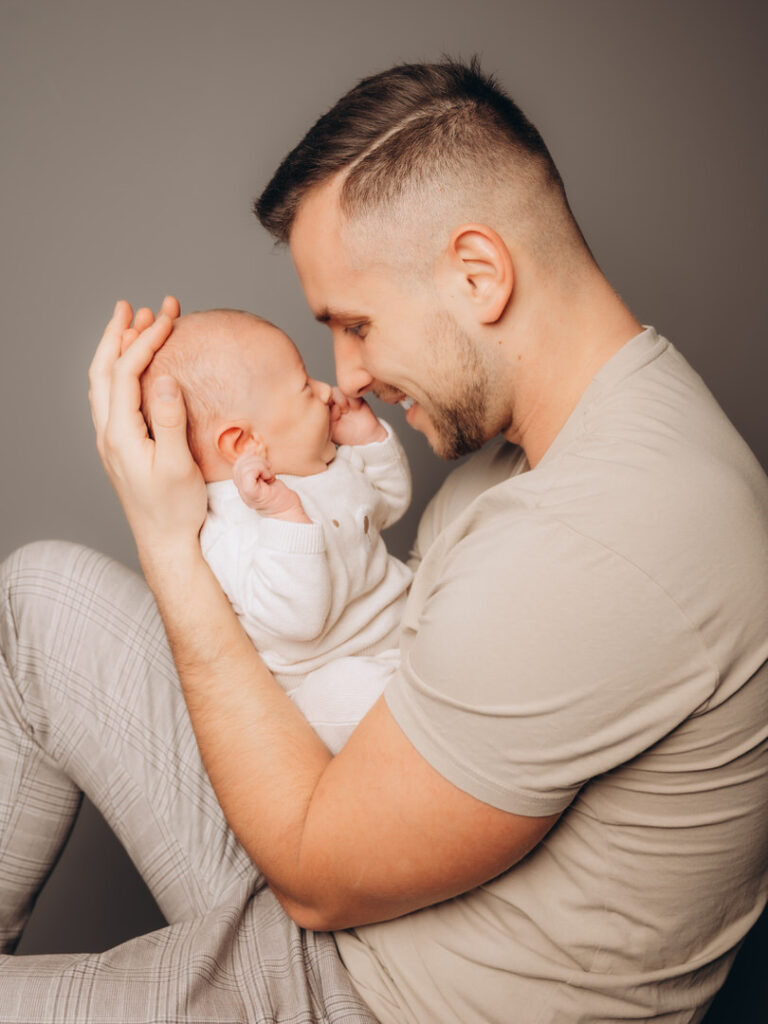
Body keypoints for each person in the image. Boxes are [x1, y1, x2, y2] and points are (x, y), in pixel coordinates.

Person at [1, 57, 767, 1024]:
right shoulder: (560, 442)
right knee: (43, 597)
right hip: (354, 864)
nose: (346, 375)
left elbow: (319, 879)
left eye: (355, 324)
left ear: (479, 274)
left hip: (363, 993)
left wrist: (168, 536)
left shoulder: (607, 532)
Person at [140, 308, 412, 753]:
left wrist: (368, 439)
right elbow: (298, 620)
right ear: (244, 443)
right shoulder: (227, 528)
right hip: (326, 680)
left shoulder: (322, 463)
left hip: (404, 632)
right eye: (306, 388)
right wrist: (285, 516)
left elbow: (389, 504)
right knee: (352, 692)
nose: (327, 391)